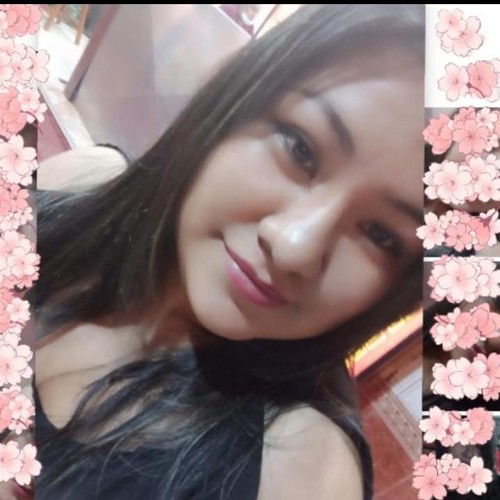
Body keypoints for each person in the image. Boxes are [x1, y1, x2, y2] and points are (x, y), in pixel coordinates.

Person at [32, 5, 425, 499]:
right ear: (240, 98)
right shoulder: (79, 180)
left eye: (381, 234)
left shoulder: (302, 471)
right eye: (300, 149)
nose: (294, 246)